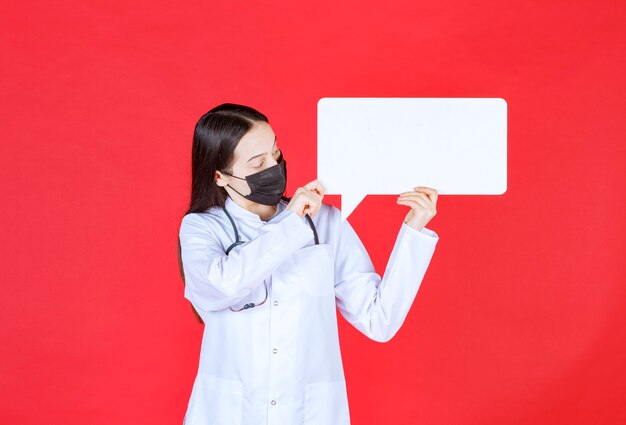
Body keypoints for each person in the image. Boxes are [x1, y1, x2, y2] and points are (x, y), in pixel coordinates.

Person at [177, 103, 440, 425]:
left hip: (309, 412)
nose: (273, 166)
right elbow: (222, 286)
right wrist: (290, 222)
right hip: (230, 412)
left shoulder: (326, 222)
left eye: (274, 153)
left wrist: (414, 229)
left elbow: (379, 320)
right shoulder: (201, 228)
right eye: (257, 162)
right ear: (220, 177)